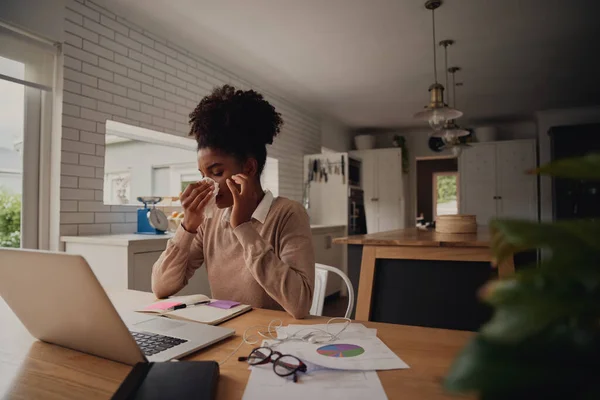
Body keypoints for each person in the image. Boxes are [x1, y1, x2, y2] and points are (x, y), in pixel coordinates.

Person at [151, 85, 315, 319]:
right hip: (226, 335)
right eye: (202, 174)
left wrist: (243, 227)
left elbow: (300, 305)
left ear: (248, 168)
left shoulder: (288, 214)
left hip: (276, 342)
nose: (207, 184)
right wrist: (188, 226)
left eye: (216, 173)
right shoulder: (211, 220)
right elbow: (161, 286)